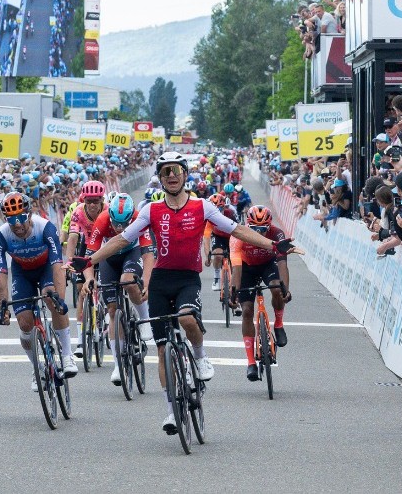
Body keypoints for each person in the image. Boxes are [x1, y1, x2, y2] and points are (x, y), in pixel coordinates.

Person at [86, 151, 301, 435]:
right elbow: (123, 239)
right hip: (161, 280)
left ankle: (200, 357)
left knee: (187, 319)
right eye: (166, 173)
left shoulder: (202, 206)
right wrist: (89, 261)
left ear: (185, 174)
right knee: (163, 350)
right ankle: (170, 411)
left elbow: (237, 230)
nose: (172, 176)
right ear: (161, 179)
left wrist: (273, 246)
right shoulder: (151, 210)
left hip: (188, 278)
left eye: (176, 171)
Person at [0, 192, 78, 386]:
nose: (18, 225)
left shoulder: (45, 227)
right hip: (22, 273)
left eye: (21, 218)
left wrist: (60, 300)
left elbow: (57, 265)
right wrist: (3, 307)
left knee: (51, 299)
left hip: (46, 268)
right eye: (12, 220)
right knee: (24, 323)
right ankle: (37, 368)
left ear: (29, 215)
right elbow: (1, 275)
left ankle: (66, 355)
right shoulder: (0, 235)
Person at [80, 192, 154, 386]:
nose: (119, 228)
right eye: (116, 223)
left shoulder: (140, 218)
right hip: (110, 258)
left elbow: (148, 255)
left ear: (132, 218)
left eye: (124, 224)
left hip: (133, 252)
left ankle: (144, 319)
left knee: (128, 281)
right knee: (112, 309)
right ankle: (117, 364)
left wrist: (146, 282)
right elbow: (89, 257)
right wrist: (89, 279)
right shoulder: (103, 220)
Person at [229, 205, 291, 382]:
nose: (260, 233)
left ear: (269, 225)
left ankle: (278, 324)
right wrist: (234, 291)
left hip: (267, 265)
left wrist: (285, 289)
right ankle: (250, 362)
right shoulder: (238, 236)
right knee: (247, 310)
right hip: (246, 268)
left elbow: (282, 265)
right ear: (248, 226)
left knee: (276, 288)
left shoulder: (277, 234)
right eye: (255, 230)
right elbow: (237, 269)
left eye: (263, 229)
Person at [66, 180, 106, 358]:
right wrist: (69, 261)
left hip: (105, 246)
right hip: (86, 247)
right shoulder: (78, 211)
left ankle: (104, 314)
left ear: (101, 200)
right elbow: (73, 236)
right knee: (81, 291)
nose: (91, 205)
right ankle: (81, 341)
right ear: (83, 200)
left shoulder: (107, 210)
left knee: (107, 284)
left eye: (95, 201)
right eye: (88, 201)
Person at [202, 192, 237, 294]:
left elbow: (240, 229)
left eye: (220, 209)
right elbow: (206, 238)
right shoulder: (209, 219)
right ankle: (217, 277)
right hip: (218, 237)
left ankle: (234, 289)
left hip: (232, 236)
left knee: (234, 263)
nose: (217, 212)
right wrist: (208, 256)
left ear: (224, 207)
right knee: (217, 255)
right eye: (214, 210)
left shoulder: (230, 213)